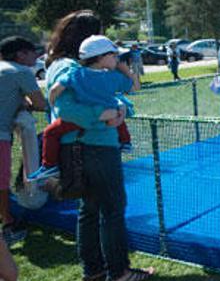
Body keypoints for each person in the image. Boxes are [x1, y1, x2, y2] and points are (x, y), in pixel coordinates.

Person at [45, 10, 154, 281]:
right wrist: (105, 113)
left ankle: (94, 268)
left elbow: (115, 95)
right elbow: (64, 108)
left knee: (91, 208)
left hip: (87, 145)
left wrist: (120, 108)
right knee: (112, 208)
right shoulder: (68, 68)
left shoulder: (78, 68)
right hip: (91, 147)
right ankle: (118, 272)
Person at [29, 35, 139, 181]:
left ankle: (49, 165)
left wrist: (52, 101)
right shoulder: (114, 77)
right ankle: (126, 142)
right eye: (114, 55)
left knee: (50, 132)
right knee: (118, 112)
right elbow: (135, 87)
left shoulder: (75, 73)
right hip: (109, 120)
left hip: (81, 120)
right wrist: (127, 71)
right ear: (101, 57)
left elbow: (55, 89)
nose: (117, 59)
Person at [0, 37, 46, 245]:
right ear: (20, 54)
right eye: (32, 51)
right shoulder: (20, 72)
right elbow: (40, 104)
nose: (36, 56)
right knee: (1, 180)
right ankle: (8, 223)